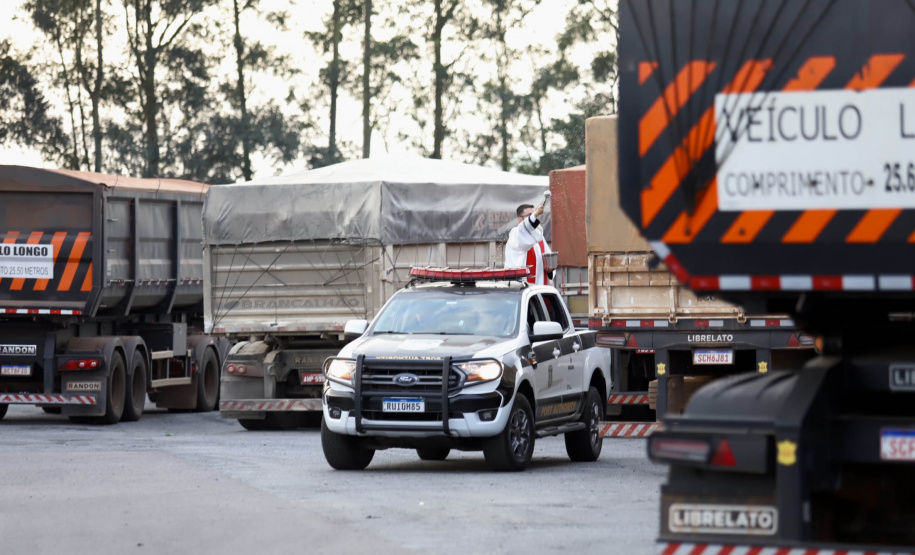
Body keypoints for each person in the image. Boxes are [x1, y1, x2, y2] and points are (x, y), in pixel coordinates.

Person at [504, 203, 553, 285]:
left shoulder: (539, 236)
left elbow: (547, 261)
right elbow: (523, 230)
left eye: (534, 214)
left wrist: (549, 270)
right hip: (521, 287)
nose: (534, 217)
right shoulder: (516, 234)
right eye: (530, 215)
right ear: (520, 219)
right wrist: (536, 213)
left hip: (540, 285)